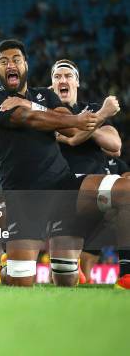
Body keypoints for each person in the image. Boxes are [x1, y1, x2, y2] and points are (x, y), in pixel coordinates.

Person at [0, 39, 130, 288]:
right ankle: (9, 265)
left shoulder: (45, 95)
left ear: (26, 64)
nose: (11, 65)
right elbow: (31, 119)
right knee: (20, 283)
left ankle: (126, 273)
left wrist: (31, 103)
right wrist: (42, 112)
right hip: (25, 197)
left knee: (125, 190)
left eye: (16, 59)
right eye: (4, 61)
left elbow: (66, 121)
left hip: (64, 186)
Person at [49, 59, 123, 283]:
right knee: (64, 279)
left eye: (68, 76)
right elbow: (73, 138)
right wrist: (101, 115)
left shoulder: (88, 112)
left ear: (77, 82)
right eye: (57, 77)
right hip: (61, 195)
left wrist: (86, 124)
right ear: (51, 84)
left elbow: (115, 145)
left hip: (95, 191)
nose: (63, 80)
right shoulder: (46, 115)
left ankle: (127, 274)